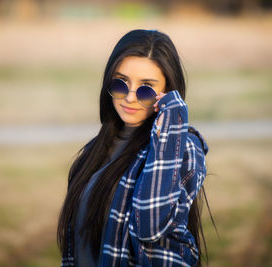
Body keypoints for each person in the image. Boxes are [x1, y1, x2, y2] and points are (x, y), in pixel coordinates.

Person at [57, 29, 211, 267]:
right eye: (121, 83)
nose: (129, 97)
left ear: (168, 93)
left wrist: (173, 118)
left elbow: (150, 225)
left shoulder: (183, 148)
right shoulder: (93, 152)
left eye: (146, 89)